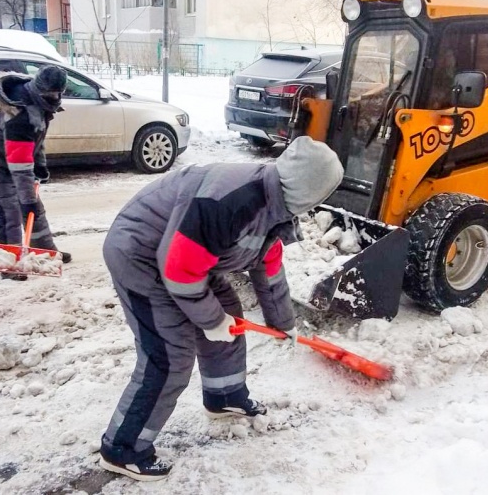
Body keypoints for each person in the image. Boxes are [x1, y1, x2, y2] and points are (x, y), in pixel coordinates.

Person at [98, 135, 345, 481]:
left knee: (231, 318)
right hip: (139, 256)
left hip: (185, 259)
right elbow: (179, 272)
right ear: (309, 190)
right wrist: (211, 319)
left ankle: (224, 394)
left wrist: (282, 322)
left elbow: (268, 264)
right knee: (169, 356)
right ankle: (123, 448)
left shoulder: (274, 203)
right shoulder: (233, 201)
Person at [0, 65, 72, 281]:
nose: (56, 97)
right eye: (53, 93)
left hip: (13, 158)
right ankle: (8, 264)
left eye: (59, 92)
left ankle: (44, 251)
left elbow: (36, 139)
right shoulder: (20, 113)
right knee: (10, 213)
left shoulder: (38, 102)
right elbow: (19, 163)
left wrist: (40, 164)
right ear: (42, 89)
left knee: (35, 210)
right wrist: (26, 199)